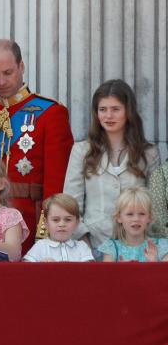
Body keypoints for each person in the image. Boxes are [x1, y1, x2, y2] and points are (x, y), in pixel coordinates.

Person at [0, 38, 74, 250]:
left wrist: (47, 229)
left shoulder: (50, 113)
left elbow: (57, 181)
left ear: (21, 67)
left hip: (29, 219)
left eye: (8, 72)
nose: (1, 81)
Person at [63, 79, 159, 251]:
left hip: (137, 248)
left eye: (115, 109)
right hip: (93, 246)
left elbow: (155, 204)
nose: (108, 116)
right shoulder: (81, 151)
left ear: (128, 112)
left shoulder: (149, 153)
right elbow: (71, 203)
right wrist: (84, 243)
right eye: (102, 109)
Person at [98, 187, 168, 262]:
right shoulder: (112, 248)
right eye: (130, 214)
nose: (136, 219)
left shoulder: (161, 246)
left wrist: (153, 263)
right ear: (119, 217)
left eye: (142, 214)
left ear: (149, 217)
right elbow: (107, 273)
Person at [23, 194, 94, 262]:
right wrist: (41, 266)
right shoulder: (40, 246)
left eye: (68, 220)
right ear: (46, 223)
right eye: (56, 220)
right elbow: (26, 269)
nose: (62, 224)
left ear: (77, 223)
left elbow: (89, 271)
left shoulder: (82, 247)